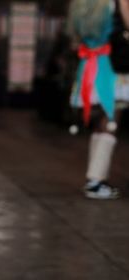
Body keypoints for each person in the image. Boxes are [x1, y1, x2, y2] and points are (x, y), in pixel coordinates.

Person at [68, 0, 129, 199]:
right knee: (111, 120)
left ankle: (94, 178)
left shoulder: (80, 3)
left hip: (89, 64)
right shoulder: (118, 2)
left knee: (100, 121)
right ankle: (95, 181)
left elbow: (74, 39)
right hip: (112, 65)